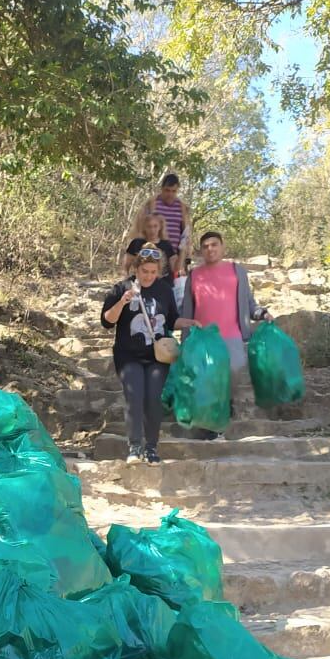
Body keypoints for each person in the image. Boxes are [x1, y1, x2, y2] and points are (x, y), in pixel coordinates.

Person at [175, 230, 272, 431]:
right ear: (201, 251)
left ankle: (224, 406)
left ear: (222, 246)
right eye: (205, 246)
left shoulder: (237, 271)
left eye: (214, 244)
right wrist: (185, 339)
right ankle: (209, 422)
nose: (210, 249)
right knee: (205, 378)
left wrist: (262, 313)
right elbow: (186, 308)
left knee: (234, 369)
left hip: (232, 335)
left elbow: (249, 304)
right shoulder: (194, 275)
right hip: (203, 339)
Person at [101, 244, 179, 465]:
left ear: (159, 271)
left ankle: (151, 448)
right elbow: (107, 321)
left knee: (153, 399)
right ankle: (135, 446)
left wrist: (192, 323)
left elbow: (172, 320)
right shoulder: (121, 288)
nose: (148, 276)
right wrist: (123, 301)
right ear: (136, 269)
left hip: (157, 356)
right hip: (128, 355)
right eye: (145, 271)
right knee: (134, 396)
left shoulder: (164, 290)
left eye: (153, 272)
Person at [141, 173, 192, 266]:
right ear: (162, 189)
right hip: (154, 253)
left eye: (174, 191)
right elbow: (142, 229)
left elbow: (186, 233)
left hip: (174, 256)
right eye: (167, 190)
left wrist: (186, 254)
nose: (170, 194)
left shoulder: (181, 207)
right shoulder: (152, 203)